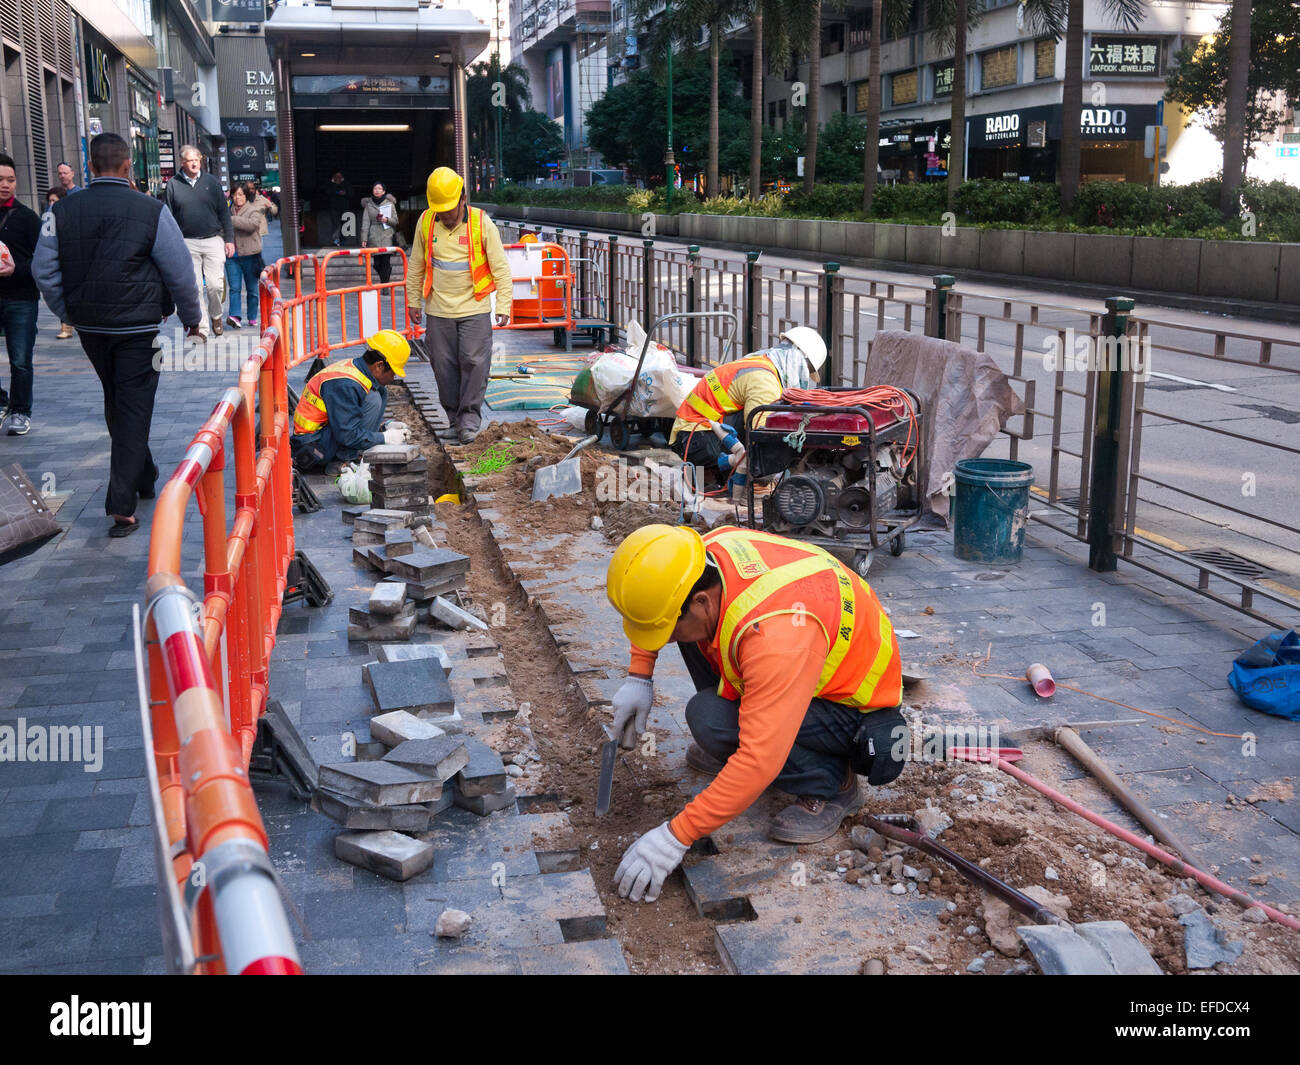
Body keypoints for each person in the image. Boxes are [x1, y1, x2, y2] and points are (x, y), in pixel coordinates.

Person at [604, 524, 906, 902]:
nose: (660, 639)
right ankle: (738, 741)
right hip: (793, 659)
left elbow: (758, 759)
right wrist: (639, 676)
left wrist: (675, 836)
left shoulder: (777, 638)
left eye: (664, 629)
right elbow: (658, 608)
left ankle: (831, 785)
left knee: (710, 719)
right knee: (693, 641)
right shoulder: (700, 557)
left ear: (701, 602)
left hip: (851, 707)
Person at [33, 132, 203, 536]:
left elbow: (43, 270)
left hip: (92, 327)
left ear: (89, 167)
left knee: (119, 398)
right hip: (138, 325)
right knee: (132, 404)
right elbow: (179, 271)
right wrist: (193, 318)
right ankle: (121, 503)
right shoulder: (151, 210)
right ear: (128, 166)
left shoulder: (62, 211)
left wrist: (68, 312)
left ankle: (143, 475)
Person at [404, 167, 512, 445]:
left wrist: (503, 304)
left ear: (463, 199)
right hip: (438, 310)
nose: (445, 215)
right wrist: (413, 300)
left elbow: (500, 268)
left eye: (449, 209)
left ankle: (469, 420)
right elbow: (416, 264)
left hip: (474, 308)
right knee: (443, 367)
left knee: (475, 363)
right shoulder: (426, 222)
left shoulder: (480, 222)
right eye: (440, 210)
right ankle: (453, 419)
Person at [669, 326, 827, 482]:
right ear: (797, 359)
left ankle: (723, 469)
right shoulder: (765, 381)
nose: (805, 375)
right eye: (807, 369)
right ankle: (729, 471)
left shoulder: (762, 362)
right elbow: (759, 434)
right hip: (693, 441)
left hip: (692, 432)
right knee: (764, 426)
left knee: (768, 416)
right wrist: (773, 473)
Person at [290, 330, 412, 472]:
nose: (393, 378)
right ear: (379, 366)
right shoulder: (346, 384)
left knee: (379, 392)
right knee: (374, 399)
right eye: (393, 372)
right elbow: (347, 434)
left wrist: (383, 427)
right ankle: (343, 461)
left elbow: (349, 416)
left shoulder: (357, 371)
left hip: (324, 434)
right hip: (312, 446)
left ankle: (354, 453)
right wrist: (385, 438)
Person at [164, 144, 234, 339]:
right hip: (187, 242)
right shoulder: (173, 185)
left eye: (197, 159)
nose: (194, 163)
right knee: (194, 287)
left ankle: (216, 315)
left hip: (213, 239)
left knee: (215, 284)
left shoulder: (211, 182)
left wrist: (229, 239)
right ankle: (201, 328)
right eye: (190, 160)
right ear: (182, 162)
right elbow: (168, 217)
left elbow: (224, 213)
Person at [0, 153, 42, 436]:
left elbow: (42, 262)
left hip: (21, 298)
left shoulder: (27, 218)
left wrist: (16, 269)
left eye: (11, 180)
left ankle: (19, 411)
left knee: (20, 359)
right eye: (1, 179)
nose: (6, 185)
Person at [225, 182, 265, 331]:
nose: (237, 198)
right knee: (234, 288)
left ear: (246, 196)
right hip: (232, 256)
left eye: (240, 194)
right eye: (235, 195)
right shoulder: (227, 211)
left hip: (250, 255)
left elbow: (252, 225)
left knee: (252, 289)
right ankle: (235, 316)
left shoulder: (253, 210)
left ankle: (252, 316)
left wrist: (231, 220)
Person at [44, 188, 75, 340]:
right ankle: (66, 325)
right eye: (49, 201)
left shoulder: (70, 216)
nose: (51, 204)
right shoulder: (47, 219)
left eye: (54, 201)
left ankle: (67, 325)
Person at [360, 181, 399, 285]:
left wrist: (387, 220)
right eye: (375, 189)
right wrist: (364, 238)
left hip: (387, 235)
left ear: (383, 192)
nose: (376, 190)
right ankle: (385, 279)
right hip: (374, 237)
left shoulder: (390, 204)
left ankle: (385, 285)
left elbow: (395, 221)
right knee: (376, 264)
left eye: (379, 189)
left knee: (385, 263)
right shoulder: (368, 205)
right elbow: (365, 222)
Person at [327, 172, 349, 246]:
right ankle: (335, 240)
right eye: (336, 177)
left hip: (344, 207)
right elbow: (327, 192)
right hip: (334, 207)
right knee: (335, 224)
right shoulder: (331, 184)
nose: (338, 178)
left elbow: (351, 194)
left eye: (340, 177)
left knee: (344, 224)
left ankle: (343, 241)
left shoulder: (346, 184)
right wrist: (334, 184)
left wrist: (344, 193)